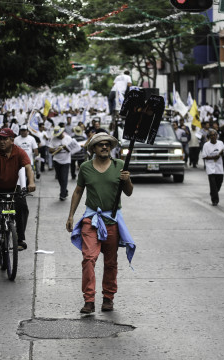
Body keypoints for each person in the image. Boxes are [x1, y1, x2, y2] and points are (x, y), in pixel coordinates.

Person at [66, 132, 135, 314]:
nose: (104, 147)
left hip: (112, 220)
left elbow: (128, 192)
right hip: (91, 220)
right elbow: (78, 191)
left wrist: (126, 180)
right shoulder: (86, 167)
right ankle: (89, 300)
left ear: (111, 148)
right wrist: (71, 215)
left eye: (107, 144)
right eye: (100, 144)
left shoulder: (119, 165)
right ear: (93, 149)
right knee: (89, 258)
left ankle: (108, 298)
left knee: (111, 262)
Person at [0, 128, 36, 252]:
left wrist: (31, 182)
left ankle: (20, 239)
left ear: (12, 140)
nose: (1, 141)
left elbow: (28, 168)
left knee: (22, 207)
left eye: (5, 139)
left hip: (12, 188)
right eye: (0, 139)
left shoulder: (20, 152)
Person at [201, 129, 224, 206]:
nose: (213, 136)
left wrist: (222, 154)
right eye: (211, 135)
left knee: (219, 183)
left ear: (217, 135)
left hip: (219, 168)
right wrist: (214, 157)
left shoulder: (221, 143)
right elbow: (204, 156)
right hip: (210, 167)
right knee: (213, 184)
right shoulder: (206, 145)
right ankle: (215, 200)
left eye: (215, 135)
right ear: (209, 137)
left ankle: (213, 192)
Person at [48, 126, 73, 201]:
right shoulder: (53, 139)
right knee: (59, 177)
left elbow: (72, 150)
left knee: (64, 177)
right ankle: (64, 190)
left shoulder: (68, 138)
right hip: (56, 160)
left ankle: (62, 195)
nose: (58, 136)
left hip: (66, 161)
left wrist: (66, 148)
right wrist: (56, 149)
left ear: (62, 132)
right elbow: (49, 150)